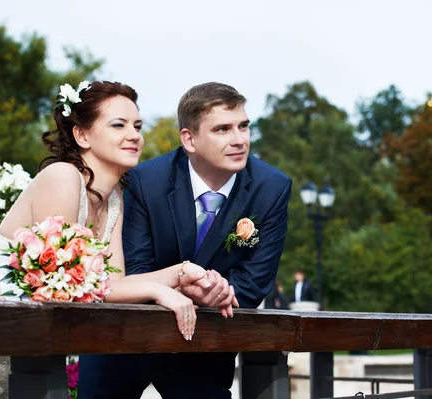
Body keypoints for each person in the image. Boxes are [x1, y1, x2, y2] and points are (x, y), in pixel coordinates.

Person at [0, 81, 231, 399]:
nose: (134, 135)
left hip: (10, 355)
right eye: (118, 125)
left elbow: (111, 284)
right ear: (82, 135)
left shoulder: (115, 199)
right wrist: (161, 291)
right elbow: (60, 284)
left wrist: (185, 273)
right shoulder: (63, 178)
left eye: (137, 125)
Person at [78, 82, 292, 398]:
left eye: (243, 127)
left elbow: (253, 283)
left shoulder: (271, 188)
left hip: (205, 344)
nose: (239, 140)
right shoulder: (145, 180)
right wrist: (187, 285)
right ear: (189, 139)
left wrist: (213, 294)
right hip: (126, 339)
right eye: (222, 129)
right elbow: (135, 268)